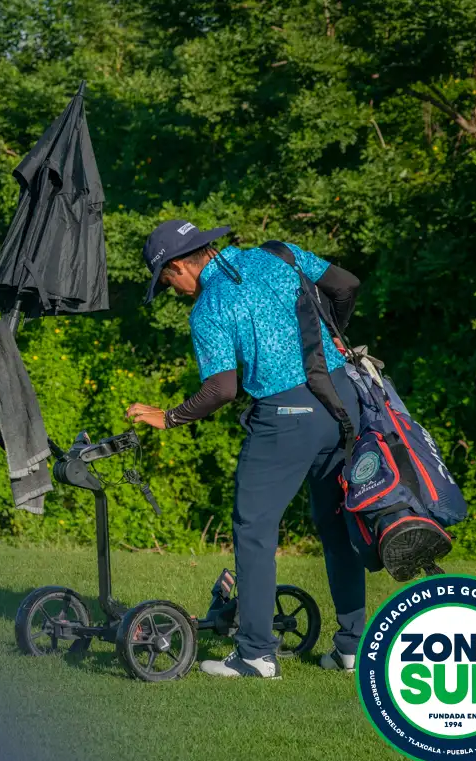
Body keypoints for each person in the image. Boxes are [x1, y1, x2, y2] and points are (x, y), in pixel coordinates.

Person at [125, 219, 364, 680]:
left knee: (254, 529)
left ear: (178, 267)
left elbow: (221, 389)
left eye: (168, 282)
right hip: (342, 401)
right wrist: (335, 329)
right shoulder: (279, 254)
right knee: (336, 524)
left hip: (285, 416)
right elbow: (346, 284)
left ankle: (256, 654)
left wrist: (169, 417)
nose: (175, 291)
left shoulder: (210, 305)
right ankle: (351, 648)